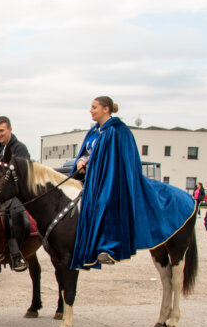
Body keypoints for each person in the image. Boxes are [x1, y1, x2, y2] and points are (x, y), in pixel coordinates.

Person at [71, 96, 196, 269]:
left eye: (94, 107)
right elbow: (87, 151)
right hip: (94, 180)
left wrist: (97, 165)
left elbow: (122, 159)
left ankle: (110, 248)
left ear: (106, 109)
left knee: (107, 201)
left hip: (113, 179)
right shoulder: (94, 132)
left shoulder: (118, 130)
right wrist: (81, 161)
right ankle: (87, 247)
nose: (91, 110)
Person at [0, 116, 31, 271]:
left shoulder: (20, 148)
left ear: (10, 129)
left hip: (15, 192)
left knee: (12, 212)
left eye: (1, 130)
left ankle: (15, 253)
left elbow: (22, 173)